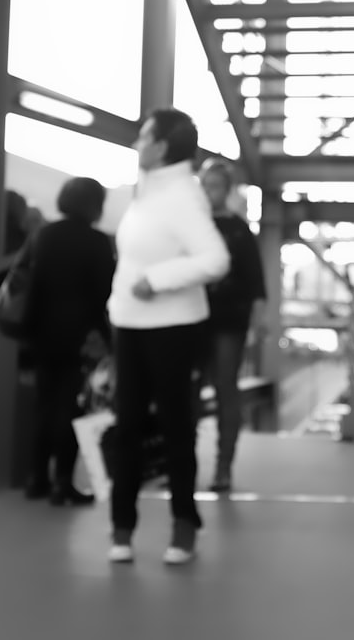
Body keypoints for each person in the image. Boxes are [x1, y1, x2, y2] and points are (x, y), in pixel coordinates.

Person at [106, 107, 229, 566]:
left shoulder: (182, 194)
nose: (137, 144)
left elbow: (215, 259)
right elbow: (132, 259)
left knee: (176, 427)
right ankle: (121, 528)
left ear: (161, 147)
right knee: (128, 427)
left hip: (173, 328)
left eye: (143, 137)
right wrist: (118, 303)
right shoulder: (146, 193)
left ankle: (183, 526)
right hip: (129, 326)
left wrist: (157, 281)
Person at [22, 177, 115, 505]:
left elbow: (33, 286)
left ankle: (36, 478)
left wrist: (27, 335)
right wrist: (105, 338)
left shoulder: (45, 235)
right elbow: (106, 293)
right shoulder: (98, 242)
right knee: (73, 408)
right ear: (95, 205)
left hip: (44, 333)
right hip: (82, 338)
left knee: (43, 405)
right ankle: (64, 481)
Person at [197, 157, 267, 494]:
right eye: (205, 185)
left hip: (229, 321)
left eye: (215, 186)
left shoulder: (239, 230)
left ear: (226, 189)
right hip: (192, 318)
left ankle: (223, 467)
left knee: (226, 387)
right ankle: (179, 462)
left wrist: (259, 320)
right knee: (187, 390)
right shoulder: (192, 226)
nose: (209, 192)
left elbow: (256, 281)